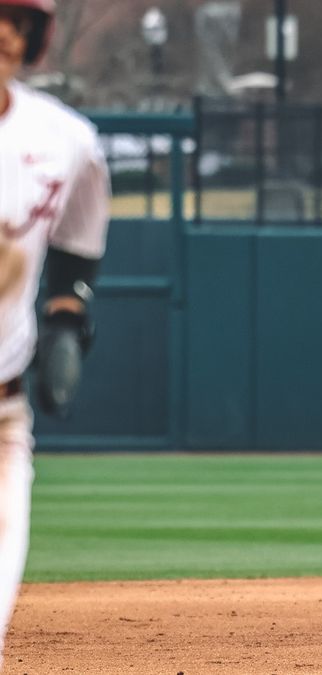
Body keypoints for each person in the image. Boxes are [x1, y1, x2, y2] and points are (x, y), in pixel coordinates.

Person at [0, 0, 111, 667]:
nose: (5, 33)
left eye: (18, 21)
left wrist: (67, 310)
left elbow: (77, 239)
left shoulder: (66, 140)